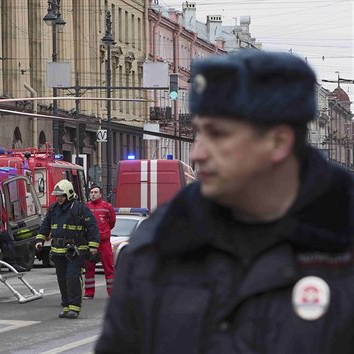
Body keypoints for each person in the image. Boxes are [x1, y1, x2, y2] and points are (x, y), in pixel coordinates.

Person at [96, 50, 354, 353]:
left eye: (218, 134)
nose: (197, 153)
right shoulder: (160, 243)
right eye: (199, 133)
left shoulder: (342, 245)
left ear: (278, 142)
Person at [36, 179, 100, 319]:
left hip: (76, 251)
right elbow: (45, 225)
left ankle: (74, 308)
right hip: (58, 251)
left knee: (72, 278)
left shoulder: (79, 208)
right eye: (57, 195)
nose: (58, 198)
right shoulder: (53, 209)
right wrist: (40, 239)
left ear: (69, 194)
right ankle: (66, 306)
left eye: (61, 195)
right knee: (62, 279)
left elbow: (92, 227)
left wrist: (93, 245)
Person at [83, 184, 116, 299]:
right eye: (91, 192)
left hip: (104, 243)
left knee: (109, 269)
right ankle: (89, 293)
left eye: (95, 192)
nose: (93, 194)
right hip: (90, 242)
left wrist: (103, 233)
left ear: (101, 194)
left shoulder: (107, 207)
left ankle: (112, 294)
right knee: (89, 269)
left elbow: (112, 222)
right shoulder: (86, 207)